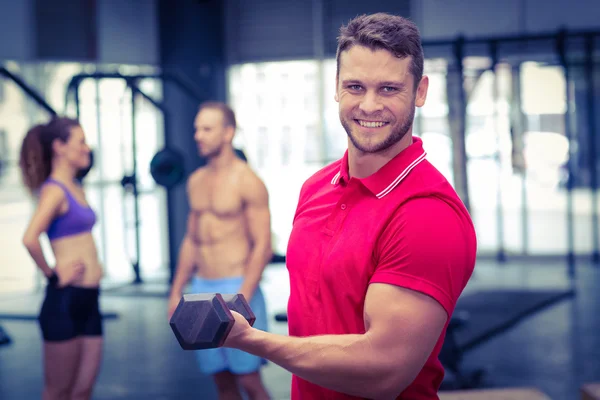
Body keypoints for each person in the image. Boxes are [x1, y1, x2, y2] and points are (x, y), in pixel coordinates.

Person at [218, 13, 477, 400]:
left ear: (420, 91)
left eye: (389, 89)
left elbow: (385, 370)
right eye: (355, 86)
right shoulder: (316, 189)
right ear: (336, 88)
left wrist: (251, 340)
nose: (369, 105)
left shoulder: (427, 214)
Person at [167, 102, 273, 400]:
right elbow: (192, 240)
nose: (198, 135)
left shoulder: (248, 181)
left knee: (249, 380)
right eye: (196, 129)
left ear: (228, 133)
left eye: (207, 129)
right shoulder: (196, 181)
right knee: (221, 383)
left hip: (236, 288)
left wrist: (243, 297)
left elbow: (263, 245)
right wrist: (176, 291)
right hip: (201, 290)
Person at [19, 117, 103, 400]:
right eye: (80, 141)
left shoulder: (76, 186)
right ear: (60, 147)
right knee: (58, 391)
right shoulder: (55, 190)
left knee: (82, 390)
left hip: (89, 299)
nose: (86, 147)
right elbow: (30, 238)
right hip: (64, 302)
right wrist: (53, 275)